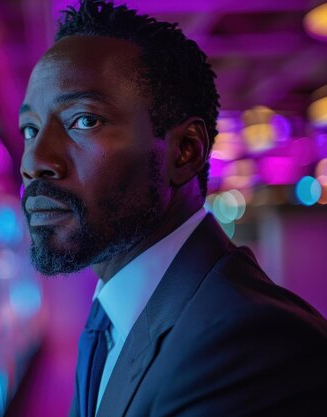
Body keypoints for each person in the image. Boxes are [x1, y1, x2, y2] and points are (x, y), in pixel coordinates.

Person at [18, 1, 327, 416]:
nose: (34, 160)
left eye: (84, 121)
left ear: (184, 152)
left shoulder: (249, 341)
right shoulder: (116, 308)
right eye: (31, 129)